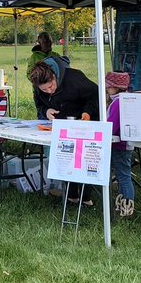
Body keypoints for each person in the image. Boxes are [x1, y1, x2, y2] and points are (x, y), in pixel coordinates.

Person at [29, 56, 100, 205]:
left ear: (54, 76)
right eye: (44, 90)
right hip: (63, 126)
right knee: (67, 159)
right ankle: (71, 195)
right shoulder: (38, 87)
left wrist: (87, 112)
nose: (49, 91)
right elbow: (39, 105)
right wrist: (46, 111)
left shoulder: (74, 78)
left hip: (85, 122)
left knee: (85, 160)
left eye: (51, 86)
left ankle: (86, 197)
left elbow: (96, 95)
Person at [105, 71, 135, 217]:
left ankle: (127, 206)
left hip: (119, 144)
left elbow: (113, 125)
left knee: (123, 175)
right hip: (124, 144)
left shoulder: (117, 103)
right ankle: (124, 204)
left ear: (116, 87)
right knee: (122, 174)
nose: (106, 88)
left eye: (109, 86)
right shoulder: (126, 99)